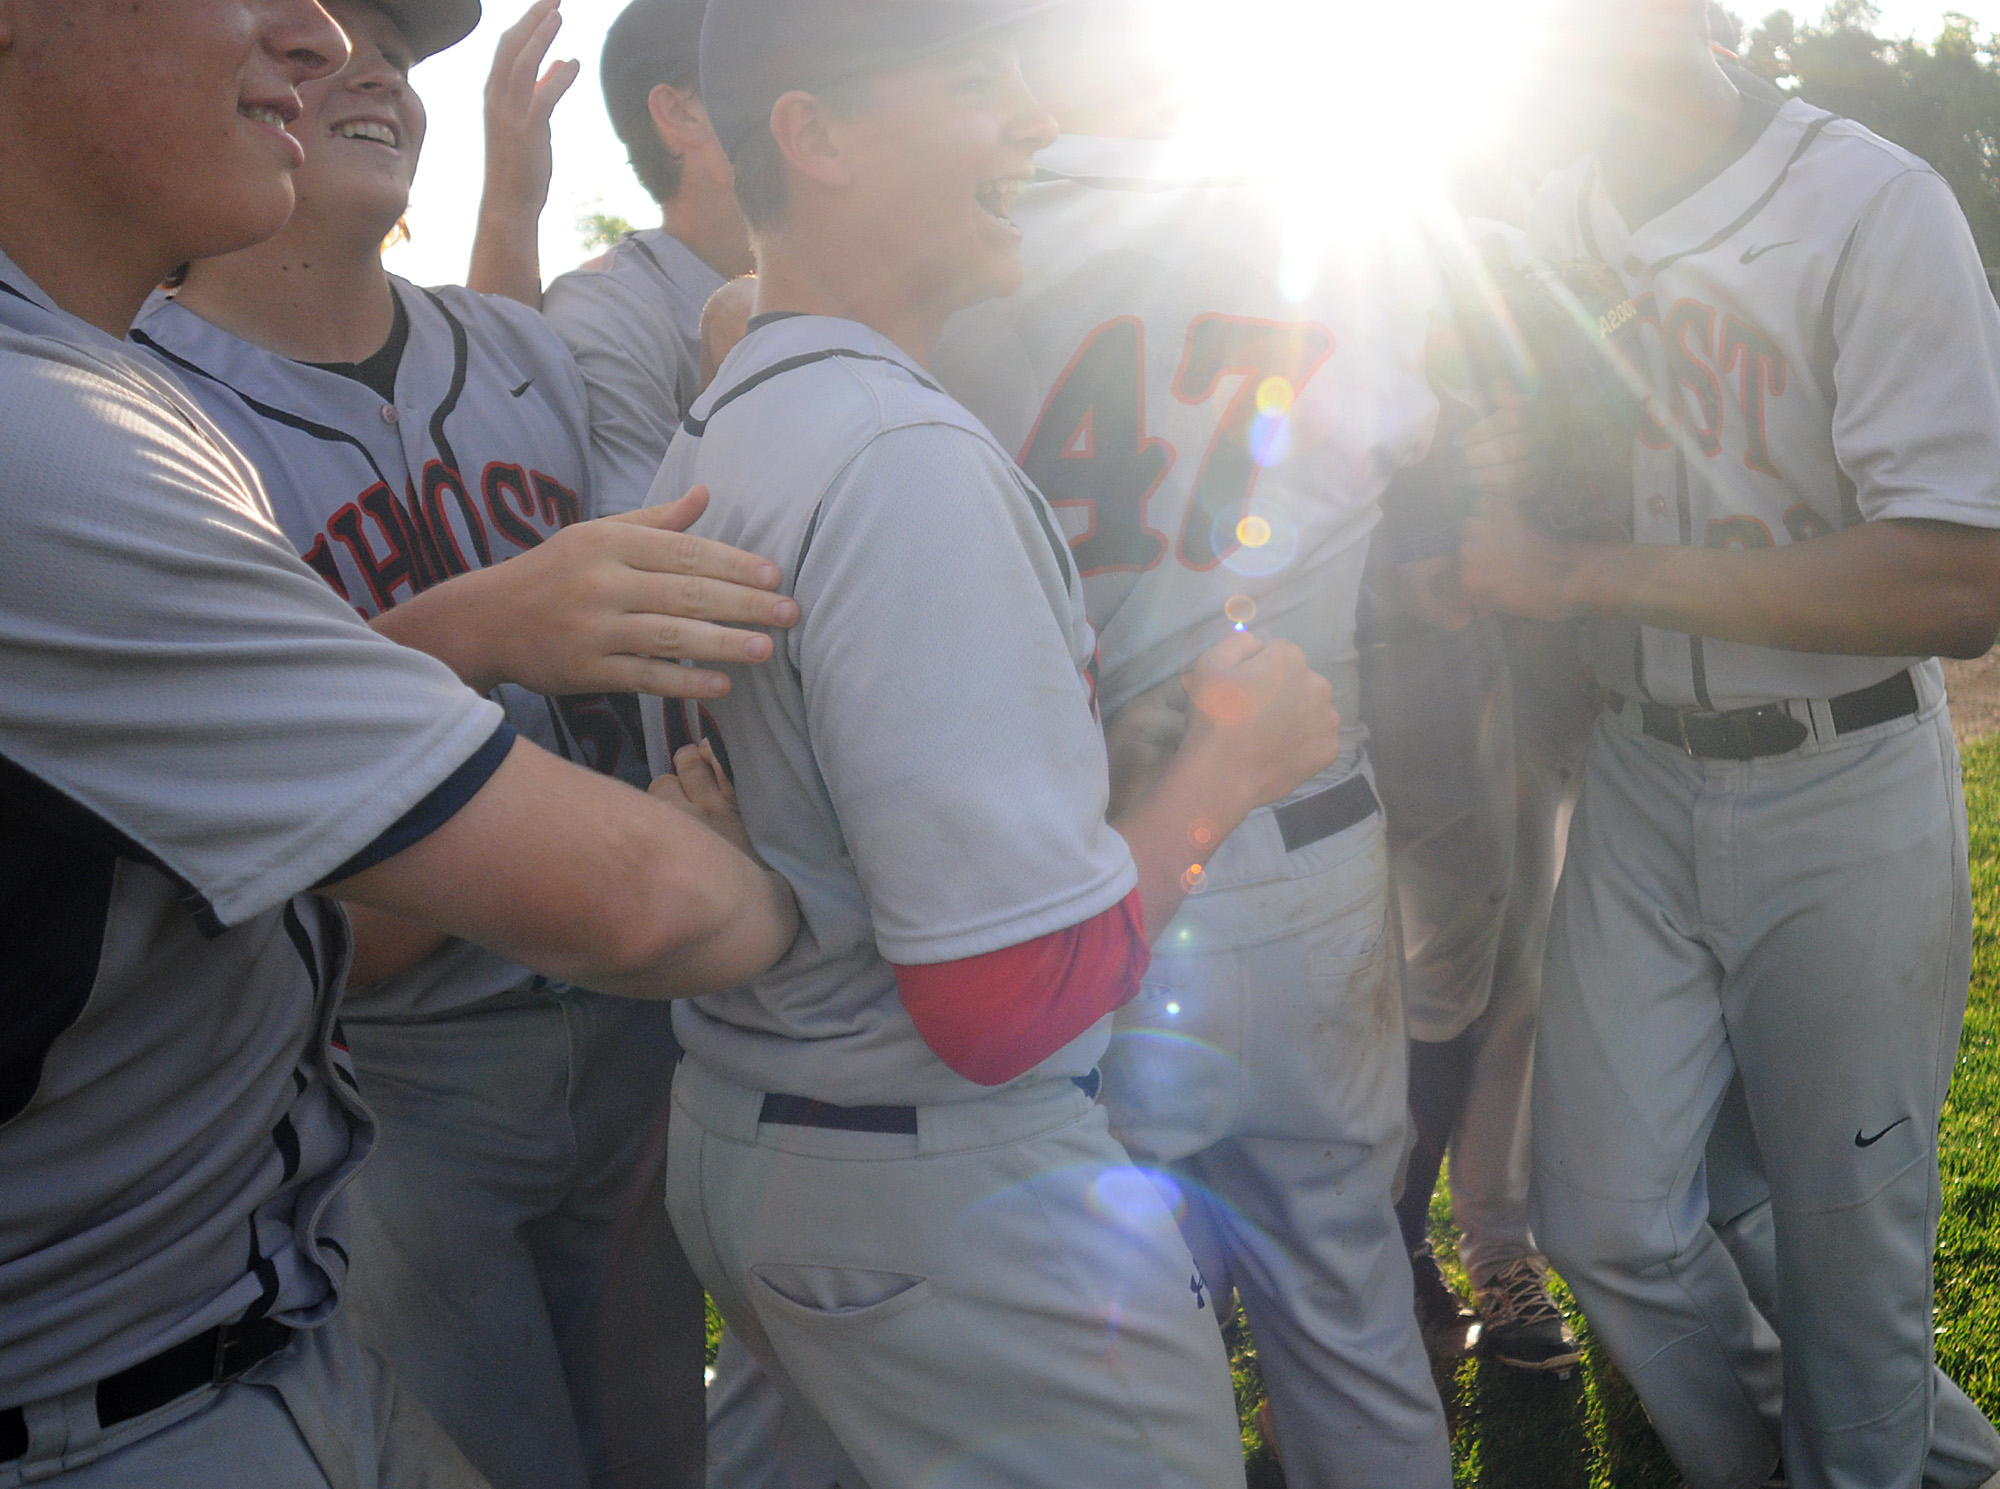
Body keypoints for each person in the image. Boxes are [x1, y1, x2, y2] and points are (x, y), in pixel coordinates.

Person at [0, 0, 797, 1485]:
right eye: (286, 5)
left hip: (606, 1046)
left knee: (651, 1449)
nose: (331, 45)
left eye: (387, 30)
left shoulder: (512, 347)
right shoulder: (107, 413)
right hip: (392, 1084)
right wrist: (474, 627)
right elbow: (643, 896)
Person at [645, 1, 1349, 1484]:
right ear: (814, 137)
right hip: (936, 1184)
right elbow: (1004, 997)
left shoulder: (735, 408)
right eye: (979, 85)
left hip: (770, 1132)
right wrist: (1230, 767)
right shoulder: (905, 459)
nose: (1035, 122)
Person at [927, 3, 1515, 1479]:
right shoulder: (1333, 206)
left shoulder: (969, 217)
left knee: (1117, 1326)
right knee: (1346, 1286)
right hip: (1312, 833)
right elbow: (1409, 437)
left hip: (1097, 850)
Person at [1457, 0, 2000, 1483]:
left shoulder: (1872, 204)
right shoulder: (1545, 221)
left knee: (1853, 1264)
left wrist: (1580, 576)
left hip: (1843, 780)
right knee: (1606, 1217)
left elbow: (1962, 579)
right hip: (1638, 768)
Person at [538, 0, 753, 513]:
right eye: (771, 62)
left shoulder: (882, 270)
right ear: (683, 113)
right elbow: (653, 559)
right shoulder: (609, 310)